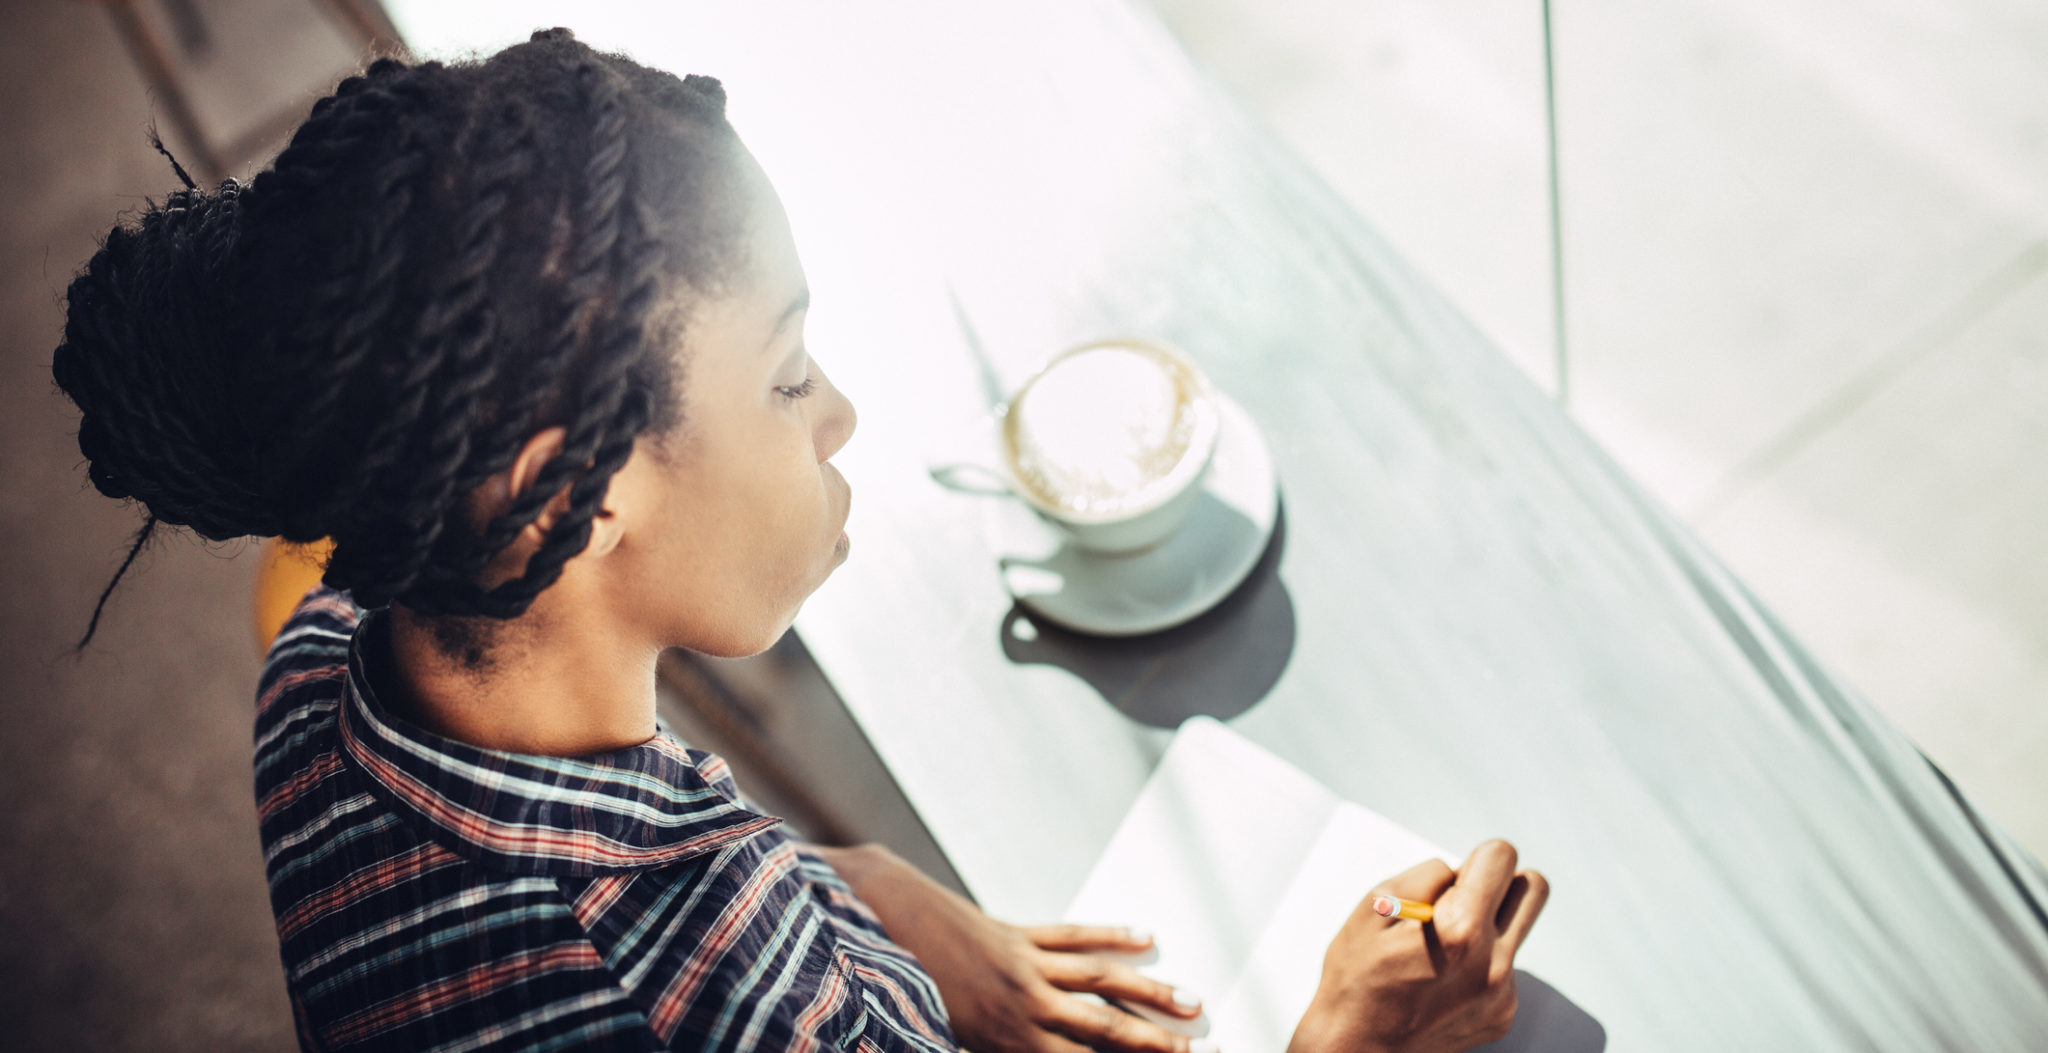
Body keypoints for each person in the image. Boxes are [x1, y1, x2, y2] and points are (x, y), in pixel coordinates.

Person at [52, 29, 1548, 1052]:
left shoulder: (319, 672)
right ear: (555, 492)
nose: (840, 412)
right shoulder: (775, 1015)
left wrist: (855, 891)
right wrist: (1344, 1029)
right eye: (783, 373)